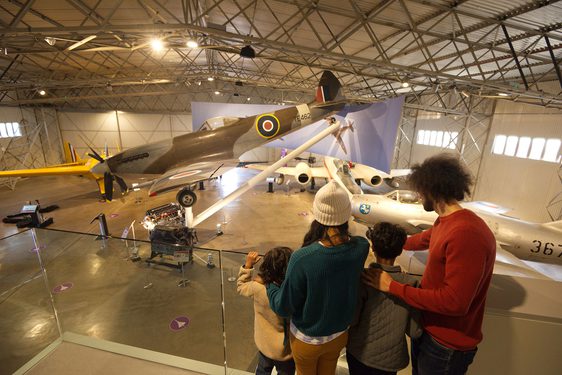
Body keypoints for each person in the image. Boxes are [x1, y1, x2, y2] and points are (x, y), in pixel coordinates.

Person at [362, 153, 496, 375]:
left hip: (446, 346)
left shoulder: (466, 233)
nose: (418, 195)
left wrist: (392, 287)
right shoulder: (446, 221)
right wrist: (387, 242)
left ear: (431, 191)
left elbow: (455, 302)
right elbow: (421, 240)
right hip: (430, 333)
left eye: (420, 190)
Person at [266, 180, 370, 375]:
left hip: (308, 341)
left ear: (318, 215)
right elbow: (354, 239)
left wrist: (270, 286)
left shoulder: (303, 257)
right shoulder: (361, 247)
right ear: (347, 215)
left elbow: (283, 306)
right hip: (339, 336)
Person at [346, 222, 422, 375]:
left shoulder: (363, 278)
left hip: (359, 353)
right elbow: (415, 331)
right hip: (390, 361)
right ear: (400, 251)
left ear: (372, 247)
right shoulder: (411, 284)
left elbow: (351, 320)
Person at [237, 248, 295, 375]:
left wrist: (248, 265)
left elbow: (241, 286)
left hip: (264, 344)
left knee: (262, 371)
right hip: (286, 350)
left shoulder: (258, 287)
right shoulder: (291, 292)